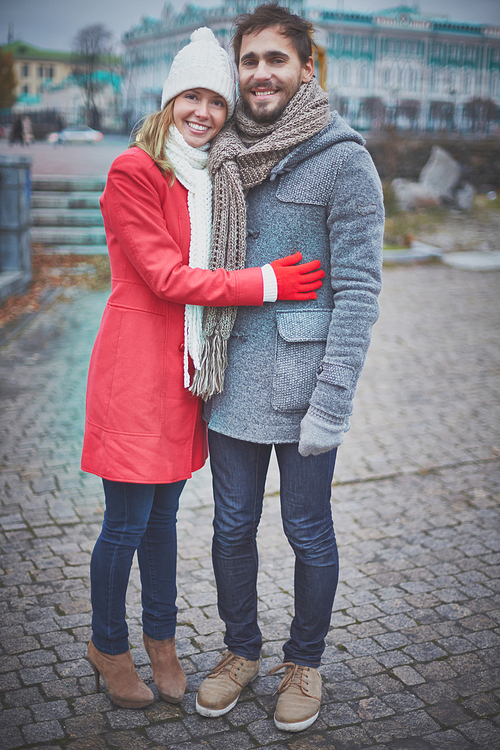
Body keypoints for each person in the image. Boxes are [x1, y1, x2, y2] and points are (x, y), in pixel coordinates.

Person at [81, 27, 324, 711]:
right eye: (191, 97)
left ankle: (161, 639)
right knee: (125, 522)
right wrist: (266, 284)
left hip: (184, 371)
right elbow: (165, 277)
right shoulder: (136, 170)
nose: (204, 112)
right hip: (136, 369)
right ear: (169, 102)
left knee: (162, 519)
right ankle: (108, 642)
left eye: (216, 102)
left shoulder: (206, 177)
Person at [194, 4, 384, 733]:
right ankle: (240, 652)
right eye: (249, 61)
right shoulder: (219, 152)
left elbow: (361, 290)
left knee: (309, 530)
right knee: (231, 528)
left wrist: (334, 399)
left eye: (276, 59)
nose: (261, 74)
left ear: (308, 67)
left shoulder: (345, 159)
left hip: (307, 389)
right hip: (231, 381)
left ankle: (304, 661)